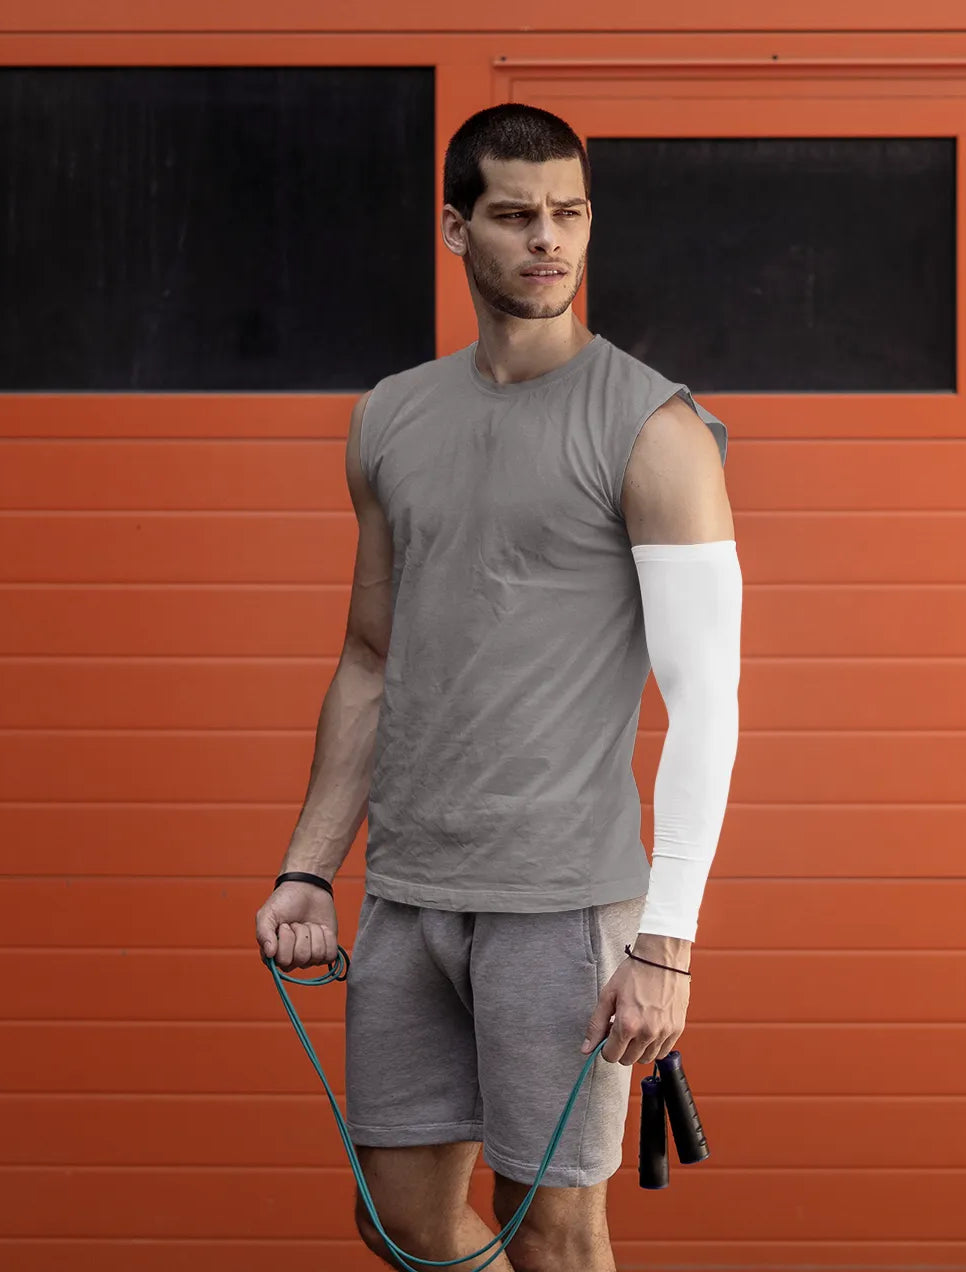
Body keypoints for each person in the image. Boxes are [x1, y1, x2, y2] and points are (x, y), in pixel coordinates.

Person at [254, 103, 742, 1272]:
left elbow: (706, 698)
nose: (548, 240)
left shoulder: (654, 429)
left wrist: (667, 943)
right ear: (454, 228)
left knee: (557, 1236)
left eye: (569, 214)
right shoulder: (391, 417)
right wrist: (309, 866)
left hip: (562, 906)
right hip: (408, 891)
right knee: (399, 1223)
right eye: (517, 216)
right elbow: (370, 657)